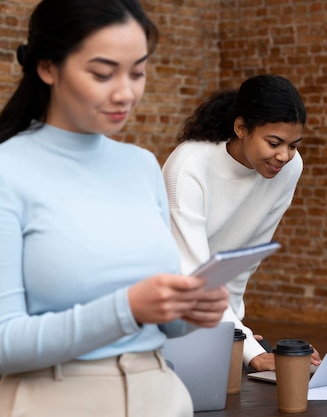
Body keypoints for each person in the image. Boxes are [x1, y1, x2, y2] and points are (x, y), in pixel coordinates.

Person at [0, 1, 229, 416]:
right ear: (49, 68)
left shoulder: (141, 166)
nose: (126, 92)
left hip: (162, 397)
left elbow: (166, 325)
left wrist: (191, 311)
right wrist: (126, 308)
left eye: (137, 72)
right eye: (103, 73)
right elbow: (4, 343)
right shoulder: (7, 170)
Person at [163, 74, 321, 371]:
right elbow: (192, 276)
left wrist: (236, 334)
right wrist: (245, 345)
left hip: (213, 318)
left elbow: (243, 261)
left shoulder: (288, 169)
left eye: (294, 145)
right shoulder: (188, 167)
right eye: (274, 142)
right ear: (241, 128)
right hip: (165, 317)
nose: (284, 156)